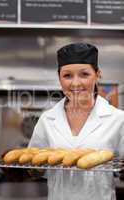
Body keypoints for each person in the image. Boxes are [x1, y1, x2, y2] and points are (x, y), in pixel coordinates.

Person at [28, 43, 124, 200]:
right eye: (67, 75)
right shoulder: (47, 119)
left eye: (84, 74)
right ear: (59, 78)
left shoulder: (118, 119)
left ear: (98, 74)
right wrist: (32, 169)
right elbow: (34, 166)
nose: (75, 83)